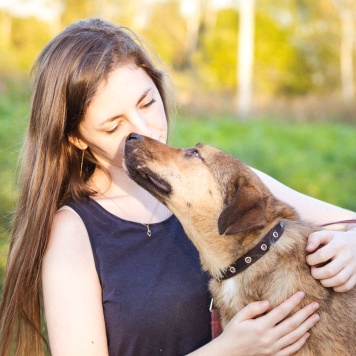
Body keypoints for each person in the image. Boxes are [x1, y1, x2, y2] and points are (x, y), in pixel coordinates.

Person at [0, 18, 355, 356]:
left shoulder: (217, 185)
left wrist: (349, 245)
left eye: (147, 102)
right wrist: (229, 349)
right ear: (77, 138)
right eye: (112, 126)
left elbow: (348, 224)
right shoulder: (73, 234)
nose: (146, 129)